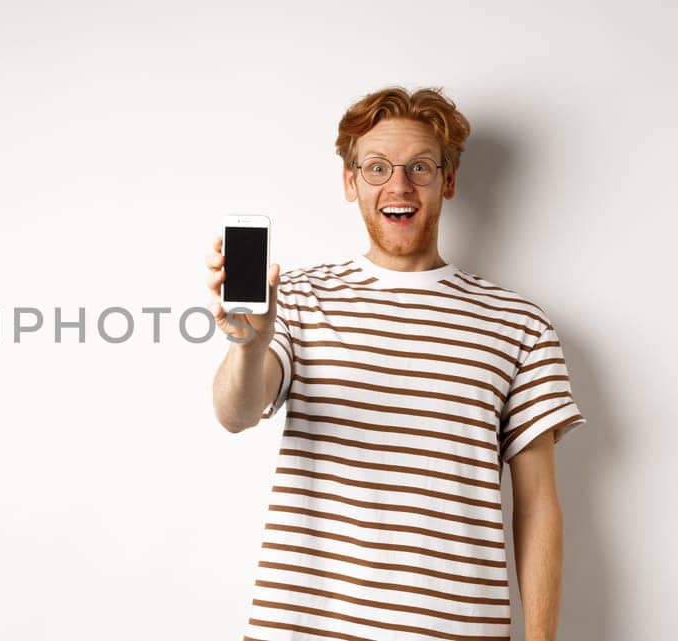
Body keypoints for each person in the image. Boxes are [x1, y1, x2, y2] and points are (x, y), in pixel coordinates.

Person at [207, 86, 586, 641]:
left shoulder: (519, 323)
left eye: (420, 167)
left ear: (448, 181)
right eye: (377, 167)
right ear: (350, 181)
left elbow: (537, 508)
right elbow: (236, 412)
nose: (398, 185)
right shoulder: (301, 298)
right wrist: (248, 345)